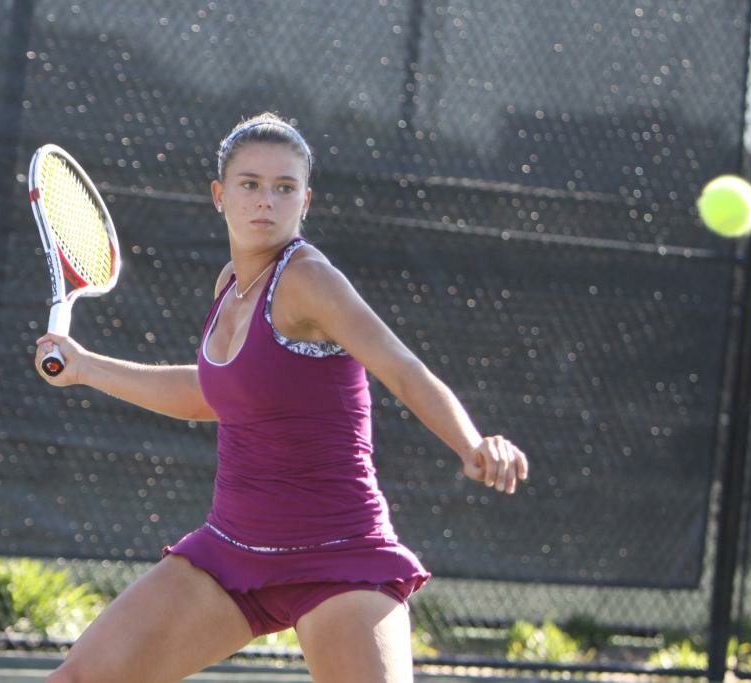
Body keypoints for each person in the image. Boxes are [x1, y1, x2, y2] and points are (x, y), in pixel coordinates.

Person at [35, 112, 529, 683]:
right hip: (231, 553)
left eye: (284, 187)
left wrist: (469, 443)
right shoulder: (231, 284)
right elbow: (215, 394)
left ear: (305, 201)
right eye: (249, 184)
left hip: (340, 558)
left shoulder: (310, 279)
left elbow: (400, 367)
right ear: (220, 195)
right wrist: (87, 368)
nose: (265, 200)